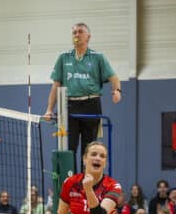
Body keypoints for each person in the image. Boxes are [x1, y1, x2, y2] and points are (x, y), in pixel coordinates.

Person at [44, 22, 122, 156]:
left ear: (88, 37)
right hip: (69, 106)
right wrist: (49, 110)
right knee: (69, 148)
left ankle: (86, 171)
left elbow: (114, 78)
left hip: (91, 105)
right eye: (74, 32)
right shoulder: (63, 57)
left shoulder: (98, 57)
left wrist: (117, 91)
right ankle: (70, 171)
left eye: (80, 32)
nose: (77, 35)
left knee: (89, 148)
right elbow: (55, 86)